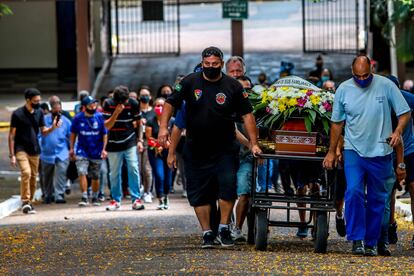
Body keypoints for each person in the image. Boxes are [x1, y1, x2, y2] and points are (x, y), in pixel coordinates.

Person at [158, 46, 261, 248]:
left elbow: (248, 116)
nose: (211, 67)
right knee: (199, 193)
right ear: (202, 63)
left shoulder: (233, 86)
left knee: (227, 188)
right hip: (196, 148)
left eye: (215, 64)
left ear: (221, 64)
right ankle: (206, 232)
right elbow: (170, 104)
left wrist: (254, 143)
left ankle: (223, 228)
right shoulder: (189, 82)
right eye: (207, 64)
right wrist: (163, 129)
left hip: (225, 149)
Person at [323, 55, 410, 256]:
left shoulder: (386, 85)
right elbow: (337, 123)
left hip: (381, 151)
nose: (362, 80)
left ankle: (372, 242)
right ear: (352, 72)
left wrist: (397, 131)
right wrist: (331, 151)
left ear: (371, 69)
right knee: (353, 192)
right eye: (358, 76)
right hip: (354, 150)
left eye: (366, 76)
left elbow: (404, 112)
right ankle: (357, 240)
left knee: (377, 199)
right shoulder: (344, 89)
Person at [9, 88, 62, 214]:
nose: (38, 103)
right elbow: (12, 135)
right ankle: (25, 201)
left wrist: (53, 128)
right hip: (20, 148)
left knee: (33, 177)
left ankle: (29, 203)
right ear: (28, 100)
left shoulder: (39, 113)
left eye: (39, 100)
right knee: (26, 173)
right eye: (35, 101)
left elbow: (43, 131)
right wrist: (12, 155)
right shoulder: (17, 114)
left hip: (35, 149)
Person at [103, 85, 145, 211]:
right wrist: (116, 112)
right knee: (114, 173)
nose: (124, 103)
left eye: (125, 101)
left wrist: (140, 140)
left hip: (130, 141)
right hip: (113, 143)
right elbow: (106, 126)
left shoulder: (133, 103)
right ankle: (115, 200)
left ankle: (136, 199)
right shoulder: (108, 103)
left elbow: (139, 123)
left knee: (133, 168)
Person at [70, 96, 108, 206]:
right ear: (84, 106)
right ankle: (84, 196)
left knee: (95, 176)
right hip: (82, 150)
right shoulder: (78, 118)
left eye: (94, 104)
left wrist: (104, 149)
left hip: (96, 150)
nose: (93, 106)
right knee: (82, 172)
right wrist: (72, 148)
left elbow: (105, 134)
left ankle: (95, 196)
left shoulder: (100, 117)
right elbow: (73, 134)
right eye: (91, 104)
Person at [39, 100, 71, 204]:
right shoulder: (43, 120)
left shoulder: (66, 121)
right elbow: (38, 135)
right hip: (46, 153)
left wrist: (72, 149)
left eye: (59, 110)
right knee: (47, 175)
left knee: (61, 173)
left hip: (62, 152)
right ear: (51, 110)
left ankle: (59, 195)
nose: (57, 112)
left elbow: (71, 136)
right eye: (55, 110)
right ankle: (48, 194)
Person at [146, 98, 173, 209]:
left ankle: (166, 195)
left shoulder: (172, 121)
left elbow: (175, 136)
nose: (160, 107)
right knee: (159, 175)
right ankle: (160, 198)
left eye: (162, 105)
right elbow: (148, 137)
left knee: (168, 177)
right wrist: (159, 145)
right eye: (157, 105)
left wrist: (168, 144)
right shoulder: (150, 120)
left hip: (169, 152)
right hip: (155, 152)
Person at [137, 86, 155, 203]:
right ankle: (138, 190)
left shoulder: (153, 112)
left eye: (146, 94)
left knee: (147, 168)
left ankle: (148, 192)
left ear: (150, 97)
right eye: (142, 95)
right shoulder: (136, 111)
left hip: (149, 142)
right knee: (136, 168)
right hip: (136, 142)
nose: (144, 97)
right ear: (138, 97)